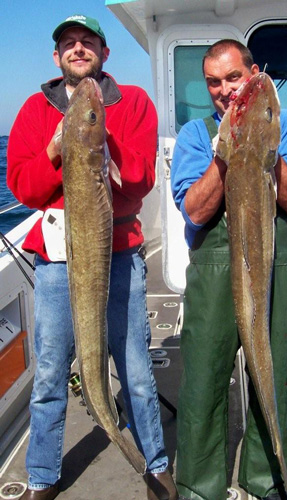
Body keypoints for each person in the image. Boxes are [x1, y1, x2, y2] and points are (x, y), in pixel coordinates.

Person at [7, 14, 177, 500]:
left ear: (104, 53)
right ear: (56, 57)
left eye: (87, 42)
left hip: (120, 251)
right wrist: (57, 151)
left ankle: (154, 464)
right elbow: (23, 186)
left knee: (138, 371)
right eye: (68, 43)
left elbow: (141, 179)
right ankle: (42, 475)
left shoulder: (135, 102)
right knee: (50, 372)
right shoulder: (34, 110)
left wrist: (102, 139)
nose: (77, 49)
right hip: (58, 258)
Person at [171, 39, 287, 500]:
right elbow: (194, 212)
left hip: (277, 266)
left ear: (252, 74)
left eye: (233, 78)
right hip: (215, 272)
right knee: (202, 383)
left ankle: (269, 481)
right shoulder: (196, 135)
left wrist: (264, 149)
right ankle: (198, 489)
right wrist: (226, 151)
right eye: (213, 82)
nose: (225, 90)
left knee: (272, 378)